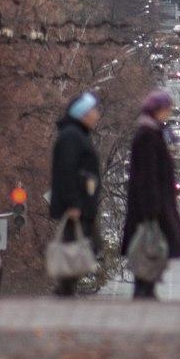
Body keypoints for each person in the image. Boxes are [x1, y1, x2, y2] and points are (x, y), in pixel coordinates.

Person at [121, 88, 180, 300]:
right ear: (157, 110)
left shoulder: (152, 132)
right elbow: (148, 174)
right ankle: (144, 287)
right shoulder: (147, 136)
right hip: (151, 206)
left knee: (152, 246)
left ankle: (146, 286)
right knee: (149, 245)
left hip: (153, 203)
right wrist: (152, 208)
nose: (168, 113)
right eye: (166, 109)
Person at [49, 91, 104, 297]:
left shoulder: (78, 134)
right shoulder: (72, 136)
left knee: (85, 247)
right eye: (93, 111)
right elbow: (66, 170)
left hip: (83, 204)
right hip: (76, 206)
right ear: (83, 113)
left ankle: (66, 288)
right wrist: (73, 203)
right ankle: (64, 289)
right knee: (77, 247)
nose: (96, 115)